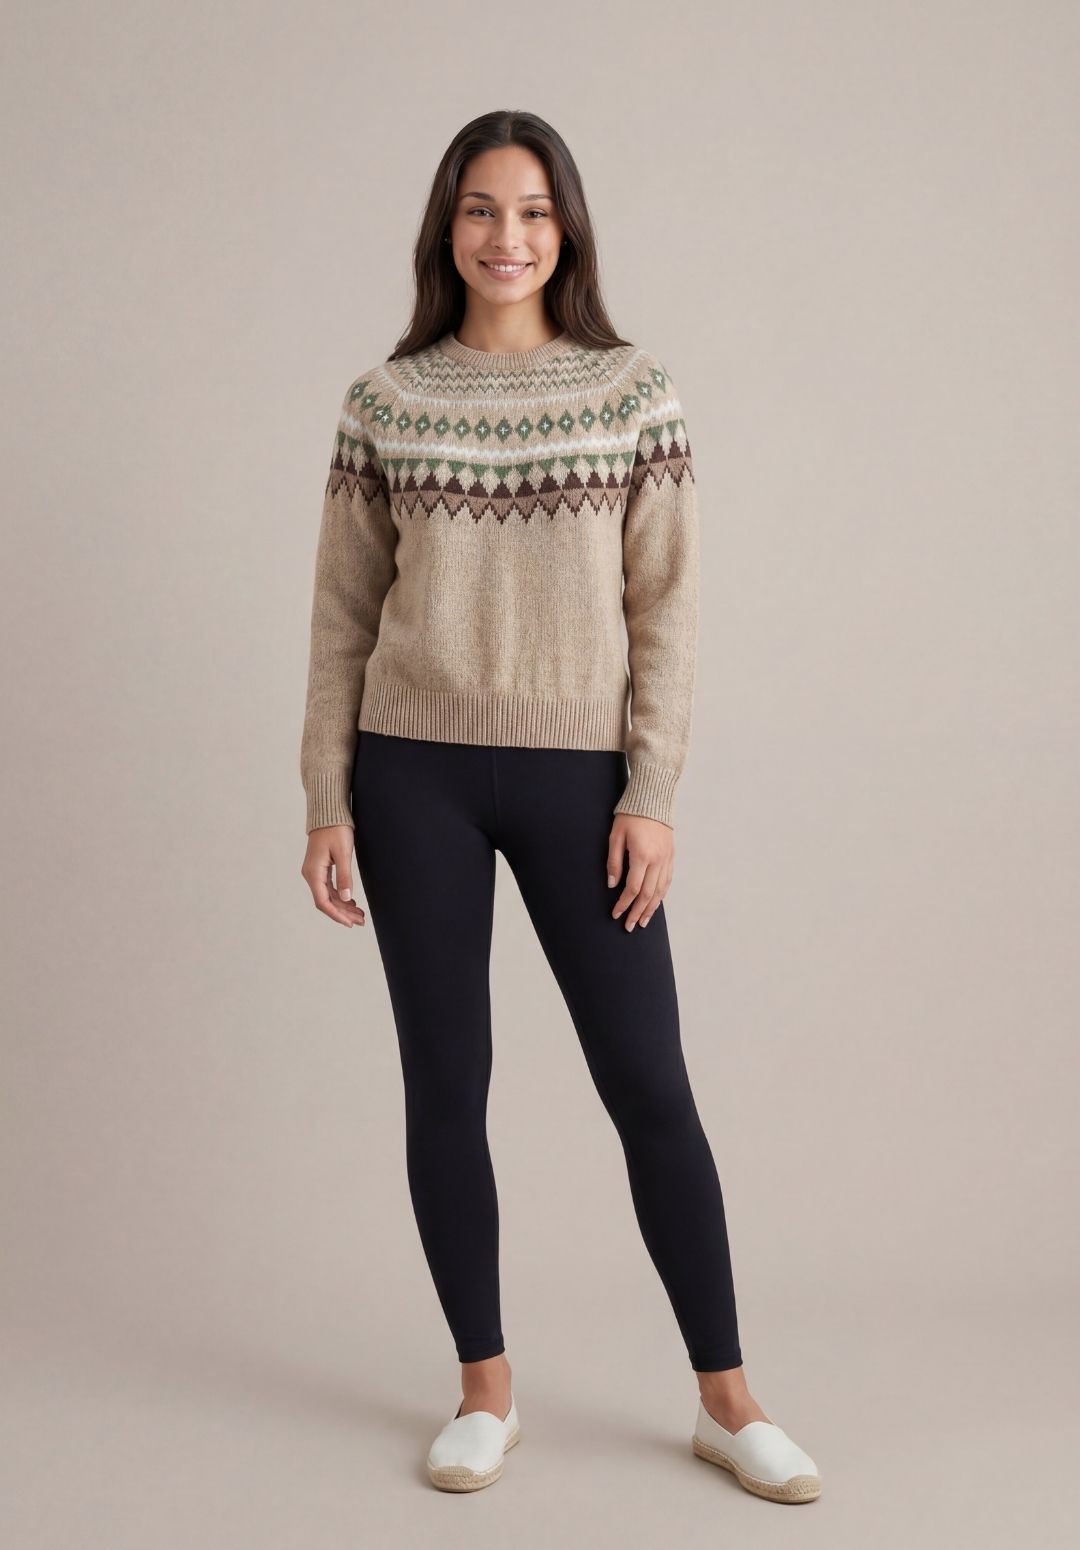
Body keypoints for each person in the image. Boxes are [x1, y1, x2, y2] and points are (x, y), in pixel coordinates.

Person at [299, 109, 822, 1504]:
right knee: (444, 1084)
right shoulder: (385, 399)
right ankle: (484, 1391)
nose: (507, 236)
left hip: (582, 781)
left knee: (649, 1083)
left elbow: (669, 610)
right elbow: (343, 613)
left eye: (533, 211)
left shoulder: (631, 391)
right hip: (410, 772)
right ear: (447, 227)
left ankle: (728, 1401)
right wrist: (326, 797)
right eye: (481, 209)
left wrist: (652, 791)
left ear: (568, 229)